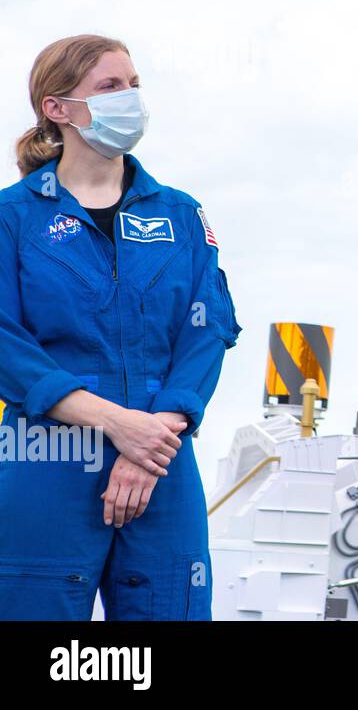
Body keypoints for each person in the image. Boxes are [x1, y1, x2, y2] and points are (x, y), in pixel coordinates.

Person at [0, 33, 241, 620]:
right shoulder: (13, 218)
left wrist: (153, 435)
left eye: (133, 86)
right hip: (47, 460)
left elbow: (206, 328)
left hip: (162, 461)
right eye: (110, 87)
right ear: (57, 109)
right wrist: (115, 423)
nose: (129, 98)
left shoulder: (179, 214)